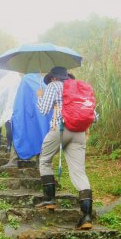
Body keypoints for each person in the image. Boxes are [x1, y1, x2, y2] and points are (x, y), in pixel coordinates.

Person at [35, 66, 93, 230]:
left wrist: (40, 97)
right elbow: (94, 115)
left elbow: (43, 109)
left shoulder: (53, 86)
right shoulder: (79, 88)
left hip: (60, 129)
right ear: (67, 76)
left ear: (53, 78)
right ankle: (87, 216)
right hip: (79, 133)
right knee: (79, 172)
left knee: (45, 160)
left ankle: (50, 200)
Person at [0, 72, 21, 149]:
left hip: (0, 106)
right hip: (11, 108)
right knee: (9, 125)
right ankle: (8, 144)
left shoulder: (2, 81)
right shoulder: (18, 82)